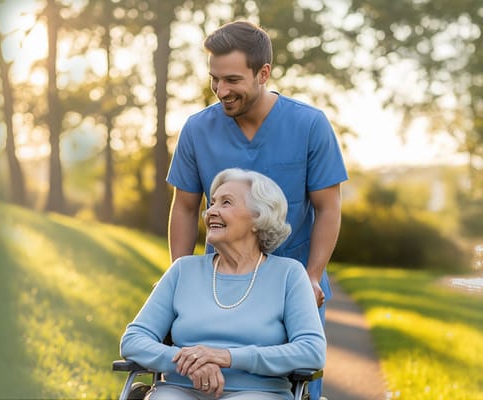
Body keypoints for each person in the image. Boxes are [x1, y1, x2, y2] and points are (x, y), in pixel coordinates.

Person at [166, 20, 347, 399]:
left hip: (292, 284)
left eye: (232, 80)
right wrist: (178, 278)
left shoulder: (309, 125)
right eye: (214, 79)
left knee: (295, 382)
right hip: (220, 284)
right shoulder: (197, 130)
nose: (221, 91)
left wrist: (313, 276)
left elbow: (328, 208)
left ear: (263, 73)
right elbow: (184, 208)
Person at [122, 168, 325, 400]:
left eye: (226, 203)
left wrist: (227, 357)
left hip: (258, 393)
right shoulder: (182, 270)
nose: (211, 212)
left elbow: (311, 351)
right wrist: (190, 363)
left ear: (259, 217)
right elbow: (133, 339)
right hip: (179, 389)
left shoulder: (289, 274)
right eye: (212, 203)